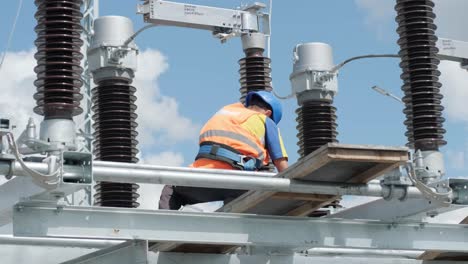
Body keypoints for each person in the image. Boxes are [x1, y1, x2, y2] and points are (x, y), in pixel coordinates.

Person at [159, 91, 288, 210]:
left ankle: (161, 229)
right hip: (239, 182)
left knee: (172, 188)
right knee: (239, 201)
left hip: (203, 175)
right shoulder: (265, 120)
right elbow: (281, 164)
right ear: (268, 113)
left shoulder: (226, 111)